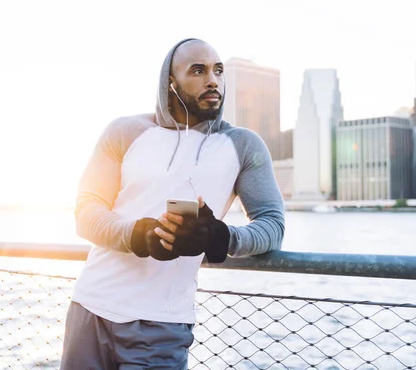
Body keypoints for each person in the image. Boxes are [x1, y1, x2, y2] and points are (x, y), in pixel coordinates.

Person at [61, 38, 285, 369]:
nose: (213, 80)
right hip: (89, 309)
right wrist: (138, 235)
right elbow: (86, 209)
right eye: (198, 70)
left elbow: (272, 225)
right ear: (171, 81)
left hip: (161, 327)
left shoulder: (243, 145)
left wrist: (220, 237)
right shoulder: (124, 131)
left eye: (218, 71)